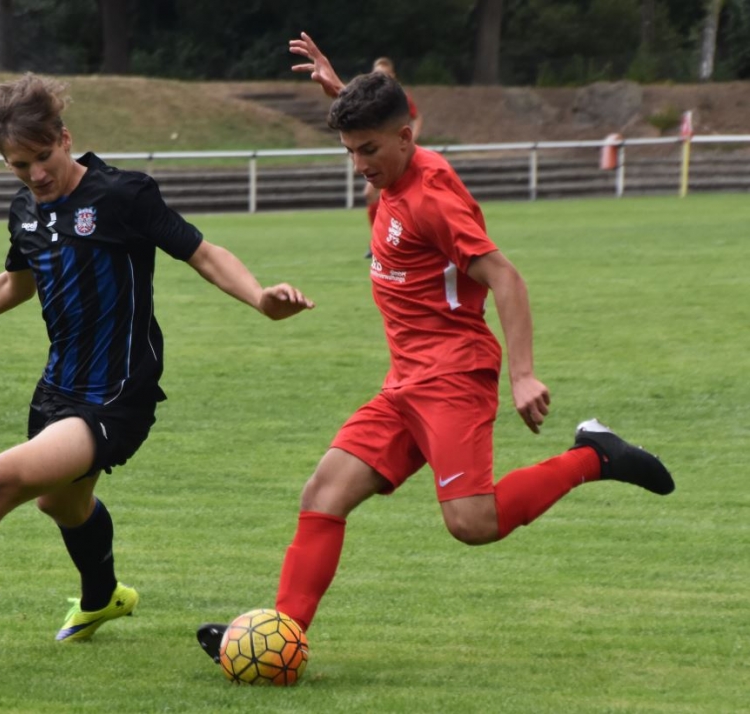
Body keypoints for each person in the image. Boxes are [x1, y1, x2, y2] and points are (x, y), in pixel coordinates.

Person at [196, 32, 673, 663]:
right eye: (350, 151)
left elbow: (506, 277)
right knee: (323, 494)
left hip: (453, 377)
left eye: (369, 150)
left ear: (405, 138)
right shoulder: (395, 164)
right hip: (405, 382)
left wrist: (524, 375)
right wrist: (344, 93)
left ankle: (595, 456)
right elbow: (378, 129)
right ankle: (280, 640)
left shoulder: (431, 200)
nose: (360, 164)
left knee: (472, 524)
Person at [0, 72, 314, 647]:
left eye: (41, 157)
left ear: (65, 137)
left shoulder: (122, 195)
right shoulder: (25, 211)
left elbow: (203, 253)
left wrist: (261, 298)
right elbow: (15, 285)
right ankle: (102, 597)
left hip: (117, 394)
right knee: (61, 504)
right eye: (17, 164)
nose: (35, 174)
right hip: (57, 389)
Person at [363, 57, 422, 258]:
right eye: (377, 74)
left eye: (384, 75)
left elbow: (416, 117)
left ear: (393, 76)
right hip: (382, 156)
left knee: (400, 197)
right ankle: (379, 241)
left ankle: (389, 242)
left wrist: (412, 139)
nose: (380, 78)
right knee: (372, 195)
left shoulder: (400, 97)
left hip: (398, 156)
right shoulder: (370, 99)